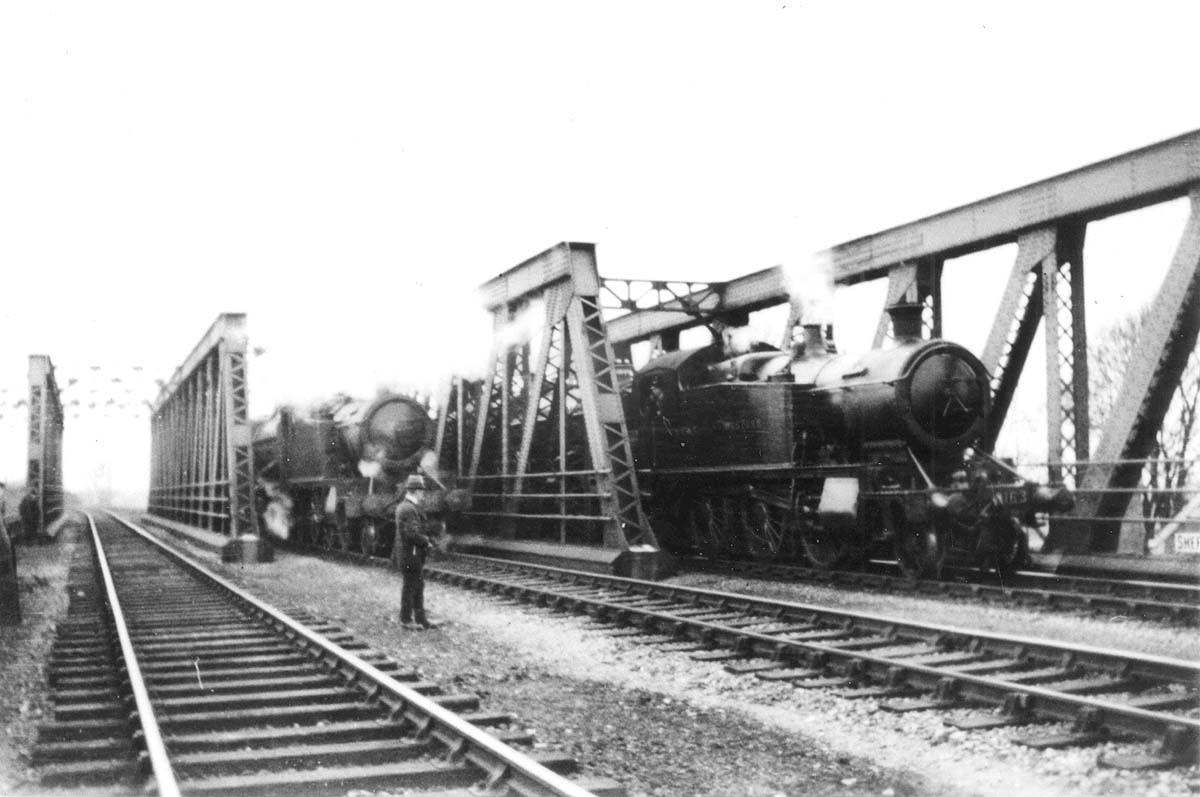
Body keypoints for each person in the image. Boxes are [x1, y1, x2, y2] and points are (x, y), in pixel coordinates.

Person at [393, 474, 435, 630]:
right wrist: (426, 541)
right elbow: (412, 533)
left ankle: (420, 619)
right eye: (421, 490)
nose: (423, 493)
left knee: (417, 586)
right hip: (411, 555)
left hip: (409, 554)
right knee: (411, 587)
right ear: (416, 491)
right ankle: (406, 620)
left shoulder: (404, 507)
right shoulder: (409, 509)